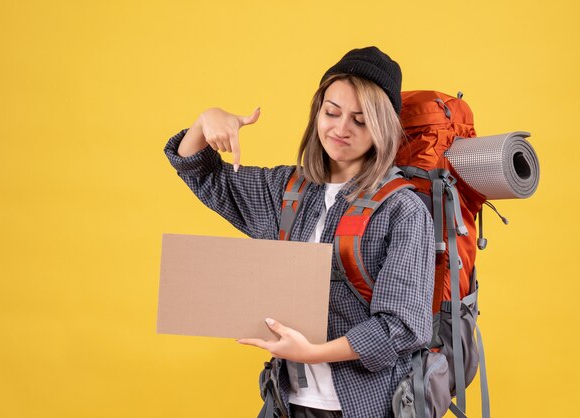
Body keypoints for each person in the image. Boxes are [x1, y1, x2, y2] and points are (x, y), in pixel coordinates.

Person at [164, 46, 435, 418]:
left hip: (366, 405)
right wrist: (206, 120)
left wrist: (313, 353)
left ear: (382, 128)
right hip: (287, 402)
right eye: (332, 112)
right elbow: (202, 172)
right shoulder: (285, 189)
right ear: (317, 112)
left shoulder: (403, 210)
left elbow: (402, 327)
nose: (341, 129)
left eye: (360, 120)